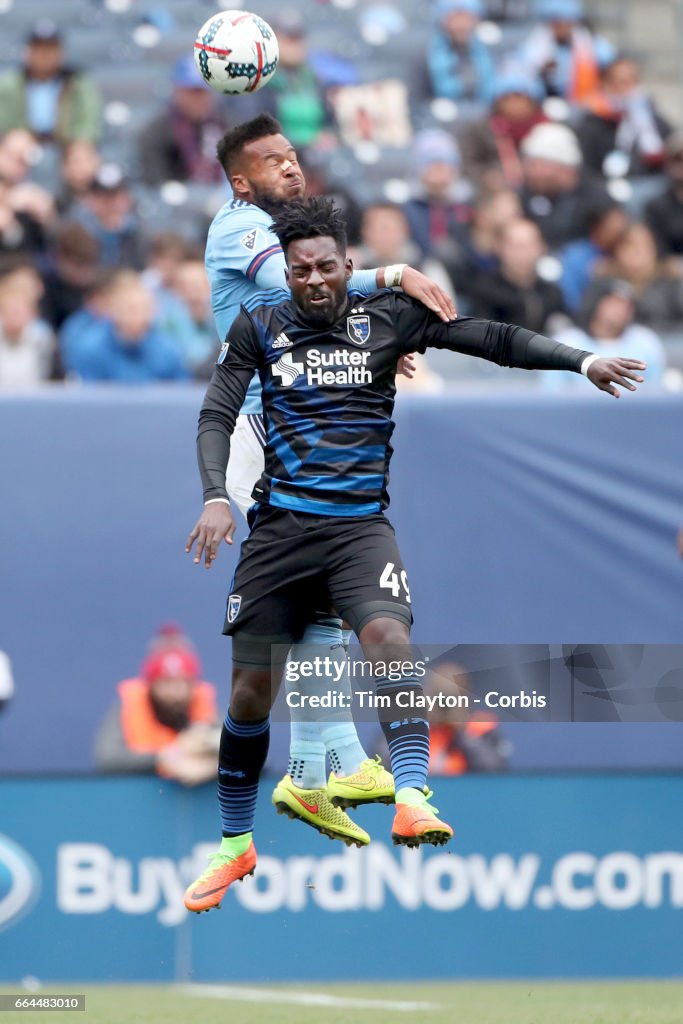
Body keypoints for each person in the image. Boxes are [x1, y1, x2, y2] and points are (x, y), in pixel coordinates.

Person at [182, 196, 645, 912]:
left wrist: (579, 360)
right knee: (249, 693)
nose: (312, 280)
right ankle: (234, 846)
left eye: (325, 267)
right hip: (278, 534)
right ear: (289, 274)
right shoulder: (258, 325)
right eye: (299, 269)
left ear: (347, 266)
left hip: (357, 530)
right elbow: (218, 410)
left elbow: (488, 338)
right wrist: (216, 493)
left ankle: (411, 793)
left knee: (389, 638)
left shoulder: (389, 317)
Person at [203, 113, 457, 849]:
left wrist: (370, 340)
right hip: (262, 425)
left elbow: (320, 305)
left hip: (298, 411)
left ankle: (322, 766)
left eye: (292, 155)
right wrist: (394, 280)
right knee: (309, 597)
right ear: (240, 179)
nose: (291, 167)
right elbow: (299, 282)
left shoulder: (280, 230)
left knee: (319, 607)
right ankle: (322, 765)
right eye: (271, 160)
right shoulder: (237, 227)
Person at [94, 635, 219, 785]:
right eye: (165, 683)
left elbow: (241, 756)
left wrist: (211, 766)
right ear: (151, 685)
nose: (174, 692)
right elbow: (108, 759)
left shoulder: (206, 706)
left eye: (182, 683)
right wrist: (166, 757)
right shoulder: (128, 705)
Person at [540, 279, 665, 389]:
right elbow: (552, 391)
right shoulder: (566, 342)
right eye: (613, 303)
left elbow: (655, 390)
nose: (621, 310)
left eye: (627, 305)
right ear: (596, 303)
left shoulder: (645, 342)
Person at [0, 20, 102, 143]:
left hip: (66, 147)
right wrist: (13, 136)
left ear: (61, 53)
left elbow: (89, 120)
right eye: (39, 49)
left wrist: (77, 141)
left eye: (50, 49)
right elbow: (3, 121)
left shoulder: (77, 82)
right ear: (27, 52)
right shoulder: (11, 84)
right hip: (22, 146)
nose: (44, 55)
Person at [139, 56, 229, 186]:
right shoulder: (157, 132)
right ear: (177, 91)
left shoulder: (225, 125)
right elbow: (155, 180)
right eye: (193, 92)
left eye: (204, 92)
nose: (198, 99)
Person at [576, 55, 670, 179]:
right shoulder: (593, 122)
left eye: (634, 81)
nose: (630, 89)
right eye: (622, 83)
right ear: (606, 85)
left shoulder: (651, 119)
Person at [471, 217, 568, 333]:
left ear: (542, 248)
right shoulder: (485, 290)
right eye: (516, 246)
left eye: (530, 246)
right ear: (499, 247)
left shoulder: (552, 293)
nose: (523, 254)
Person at [519, 0, 615, 103]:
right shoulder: (533, 47)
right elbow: (522, 73)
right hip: (544, 102)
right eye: (557, 22)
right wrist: (541, 71)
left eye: (567, 22)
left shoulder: (593, 44)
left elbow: (612, 69)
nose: (562, 27)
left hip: (586, 103)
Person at [413, 0, 497, 107]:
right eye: (455, 18)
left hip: (481, 116)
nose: (461, 25)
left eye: (467, 18)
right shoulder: (426, 55)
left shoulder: (487, 53)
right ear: (443, 21)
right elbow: (418, 99)